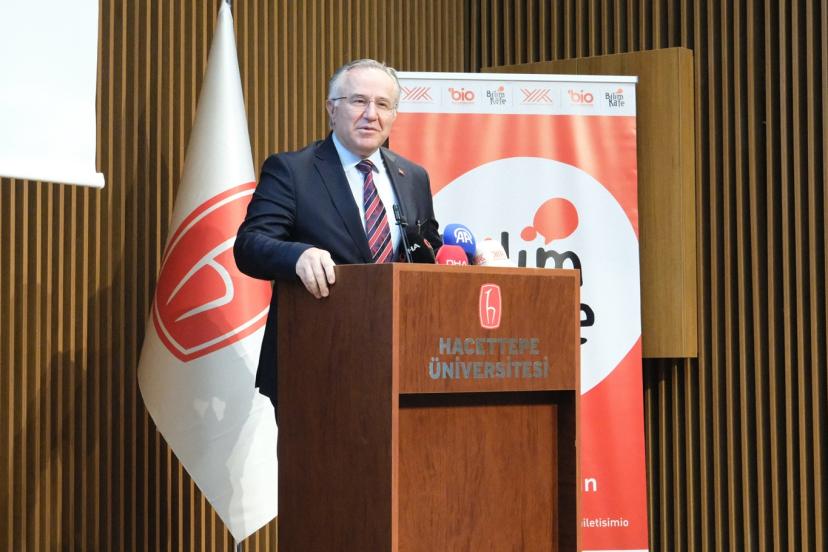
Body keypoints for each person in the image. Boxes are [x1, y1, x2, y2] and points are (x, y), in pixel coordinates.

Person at [234, 59, 442, 409]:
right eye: (359, 101)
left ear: (394, 115)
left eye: (383, 104)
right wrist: (297, 255)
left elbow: (428, 248)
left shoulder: (413, 176)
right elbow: (249, 245)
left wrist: (467, 258)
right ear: (332, 109)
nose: (371, 114)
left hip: (401, 361)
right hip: (315, 361)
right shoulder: (293, 170)